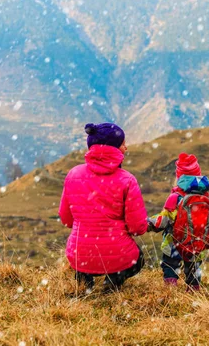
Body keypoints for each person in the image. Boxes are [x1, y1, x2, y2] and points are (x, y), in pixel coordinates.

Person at [59, 123, 148, 292]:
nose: (126, 147)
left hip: (79, 254)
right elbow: (137, 228)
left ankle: (85, 282)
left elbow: (66, 218)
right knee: (139, 259)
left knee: (83, 256)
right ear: (113, 148)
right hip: (117, 253)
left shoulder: (73, 174)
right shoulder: (127, 180)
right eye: (122, 143)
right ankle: (113, 282)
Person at [148, 153, 209, 292]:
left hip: (174, 242)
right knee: (193, 267)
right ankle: (194, 290)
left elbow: (164, 219)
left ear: (179, 177)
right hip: (197, 243)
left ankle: (171, 290)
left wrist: (149, 223)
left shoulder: (175, 197)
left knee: (170, 265)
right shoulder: (207, 198)